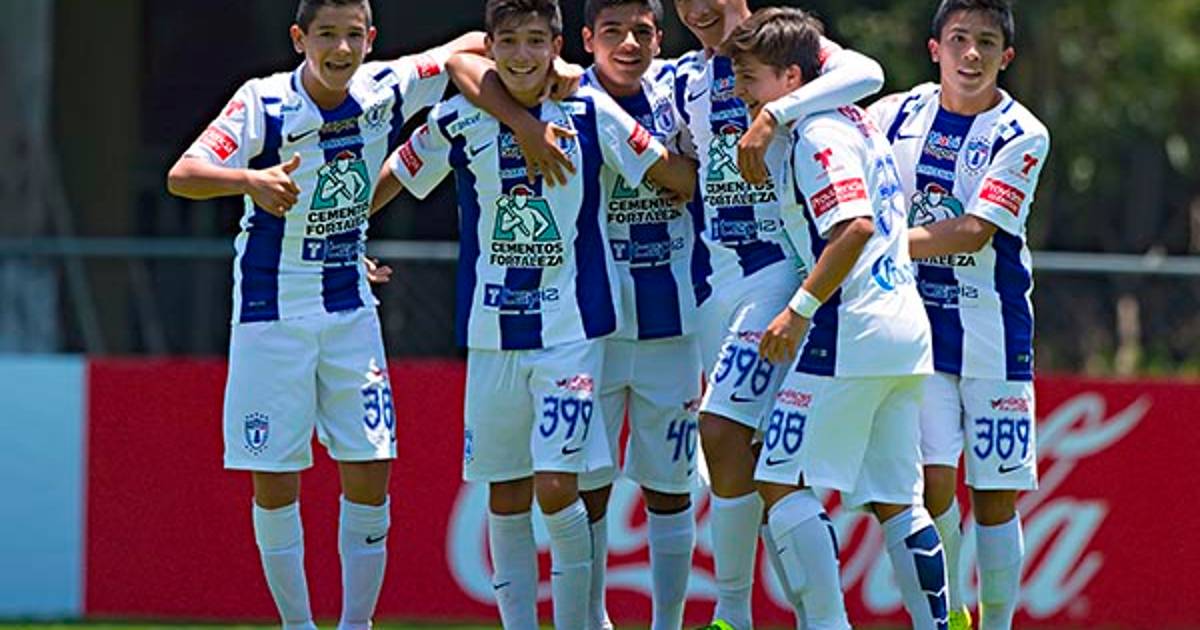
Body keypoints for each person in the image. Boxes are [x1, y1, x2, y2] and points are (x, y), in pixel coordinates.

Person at [371, 1, 695, 627]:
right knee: (506, 489)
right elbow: (399, 172)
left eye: (536, 42)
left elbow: (670, 172)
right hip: (491, 330)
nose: (523, 55)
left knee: (558, 486)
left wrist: (710, 172)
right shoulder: (459, 117)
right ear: (491, 47)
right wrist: (345, 235)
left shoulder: (589, 110)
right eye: (510, 42)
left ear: (556, 47)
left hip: (573, 331)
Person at [165, 1, 483, 627]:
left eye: (352, 35)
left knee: (371, 466)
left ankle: (356, 623)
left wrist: (545, 77)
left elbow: (466, 47)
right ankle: (298, 624)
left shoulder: (385, 86)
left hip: (348, 306)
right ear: (298, 38)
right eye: (327, 35)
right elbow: (184, 174)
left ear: (371, 37)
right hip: (271, 309)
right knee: (274, 477)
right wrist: (250, 181)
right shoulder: (264, 102)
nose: (340, 49)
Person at [724, 8, 950, 629]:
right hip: (904, 327)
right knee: (899, 499)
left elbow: (853, 227)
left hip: (851, 327)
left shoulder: (818, 134)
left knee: (778, 477)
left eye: (749, 78)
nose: (741, 92)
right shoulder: (854, 119)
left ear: (791, 78)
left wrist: (798, 312)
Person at [668, 1, 885, 628]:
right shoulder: (681, 76)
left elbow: (867, 72)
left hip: (778, 273)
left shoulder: (781, 46)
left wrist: (773, 115)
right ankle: (803, 617)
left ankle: (734, 613)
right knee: (760, 459)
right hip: (715, 283)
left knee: (724, 430)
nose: (697, 7)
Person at [864, 1, 1050, 628]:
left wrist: (877, 244)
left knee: (995, 496)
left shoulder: (1022, 133)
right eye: (960, 39)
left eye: (987, 43)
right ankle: (951, 615)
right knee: (929, 483)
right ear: (934, 49)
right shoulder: (895, 114)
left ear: (1006, 57)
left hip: (995, 331)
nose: (972, 54)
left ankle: (998, 623)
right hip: (918, 329)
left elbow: (973, 231)